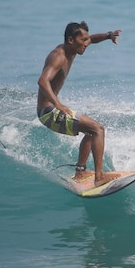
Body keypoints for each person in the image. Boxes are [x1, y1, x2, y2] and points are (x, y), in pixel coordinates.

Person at [37, 21, 121, 186]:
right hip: (48, 112)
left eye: (86, 40)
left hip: (50, 110)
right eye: (83, 40)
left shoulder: (73, 48)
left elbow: (92, 39)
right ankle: (99, 176)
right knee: (98, 129)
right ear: (71, 40)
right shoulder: (59, 56)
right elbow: (42, 81)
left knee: (91, 132)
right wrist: (58, 104)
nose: (86, 43)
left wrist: (108, 35)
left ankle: (81, 172)